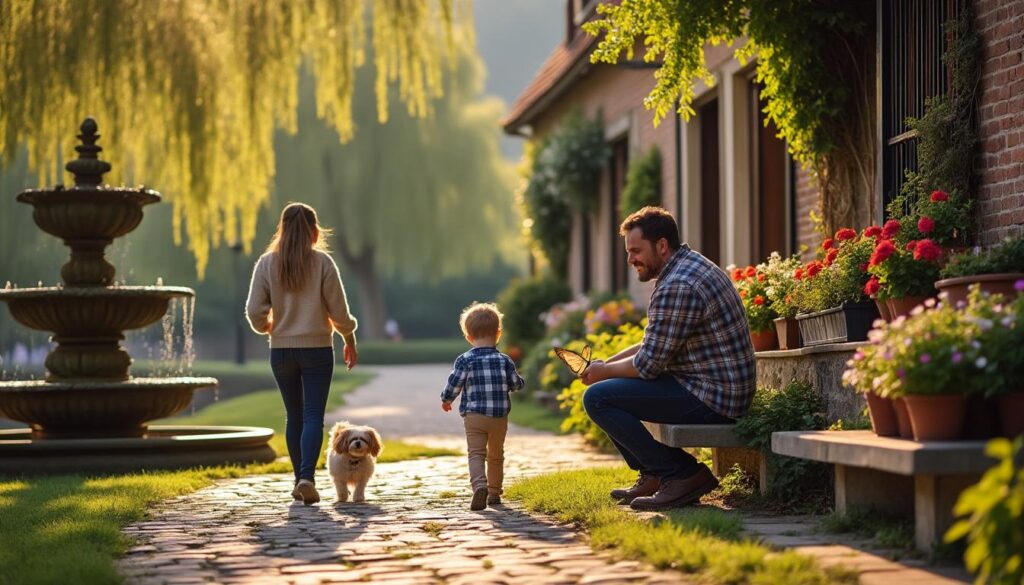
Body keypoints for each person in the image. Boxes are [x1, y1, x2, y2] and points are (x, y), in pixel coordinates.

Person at [580, 206, 756, 511]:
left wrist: (604, 373)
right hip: (706, 385)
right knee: (605, 388)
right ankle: (654, 475)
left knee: (598, 398)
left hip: (714, 397)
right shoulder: (684, 268)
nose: (630, 259)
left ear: (662, 245)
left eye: (636, 250)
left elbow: (648, 365)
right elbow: (653, 343)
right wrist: (605, 365)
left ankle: (683, 474)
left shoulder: (678, 284)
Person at [245, 202, 359, 506]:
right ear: (314, 231)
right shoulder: (322, 263)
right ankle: (307, 477)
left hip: (281, 351)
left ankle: (299, 481)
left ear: (282, 230)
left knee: (293, 416)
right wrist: (349, 337)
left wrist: (270, 327)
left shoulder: (267, 263)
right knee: (312, 416)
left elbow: (254, 311)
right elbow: (339, 311)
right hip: (318, 350)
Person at [440, 302, 524, 511]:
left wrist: (447, 399)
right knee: (496, 455)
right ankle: (494, 493)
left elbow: (454, 383)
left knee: (476, 453)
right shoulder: (505, 360)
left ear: (468, 336)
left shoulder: (465, 360)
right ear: (498, 334)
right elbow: (516, 384)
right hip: (499, 417)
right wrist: (520, 381)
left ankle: (479, 486)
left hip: (474, 416)